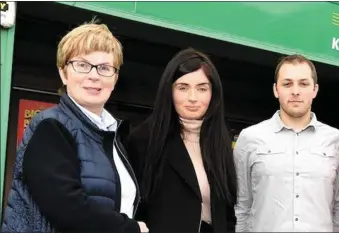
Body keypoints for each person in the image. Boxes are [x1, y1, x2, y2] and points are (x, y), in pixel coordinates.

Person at [1, 20, 148, 233]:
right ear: (63, 73)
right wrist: (131, 228)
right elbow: (68, 209)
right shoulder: (51, 127)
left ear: (115, 79)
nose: (94, 75)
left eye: (105, 68)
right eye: (82, 65)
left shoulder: (114, 137)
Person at [126, 48, 237, 233]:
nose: (192, 98)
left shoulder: (220, 141)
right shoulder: (144, 139)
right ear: (169, 91)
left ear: (213, 94)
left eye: (202, 88)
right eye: (183, 87)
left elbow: (227, 212)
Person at [234, 54, 339, 232]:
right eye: (287, 84)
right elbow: (242, 206)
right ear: (275, 89)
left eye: (303, 84)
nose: (295, 91)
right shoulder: (249, 138)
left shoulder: (337, 141)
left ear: (315, 90)